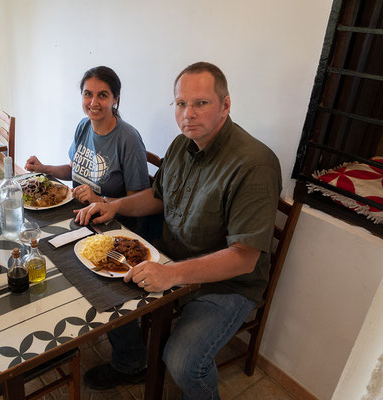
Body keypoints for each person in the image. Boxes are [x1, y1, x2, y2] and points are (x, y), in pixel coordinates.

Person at [74, 62, 282, 399]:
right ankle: (130, 364)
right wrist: (114, 206)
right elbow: (158, 197)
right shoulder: (182, 145)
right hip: (171, 257)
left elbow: (244, 258)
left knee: (184, 361)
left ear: (225, 105)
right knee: (104, 283)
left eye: (201, 103)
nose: (188, 114)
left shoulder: (254, 164)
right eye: (181, 104)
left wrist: (172, 275)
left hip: (227, 284)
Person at [24, 66, 150, 204]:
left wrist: (100, 200)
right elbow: (72, 170)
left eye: (102, 95)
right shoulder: (84, 126)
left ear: (115, 100)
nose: (93, 102)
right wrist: (44, 168)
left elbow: (139, 203)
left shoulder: (129, 139)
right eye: (88, 94)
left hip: (114, 222)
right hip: (80, 212)